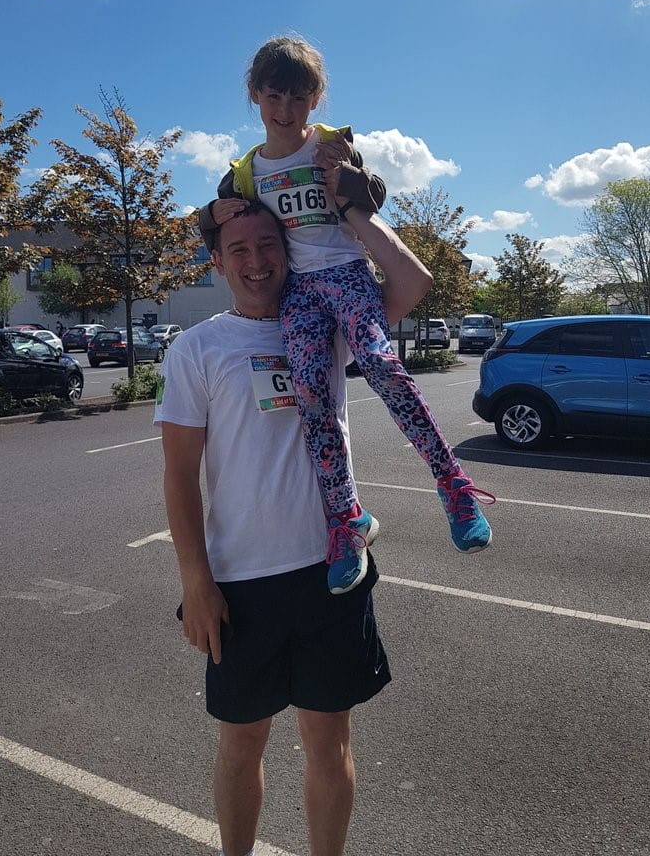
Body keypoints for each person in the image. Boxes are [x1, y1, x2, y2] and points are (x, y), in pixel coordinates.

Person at [158, 201, 428, 856]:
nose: (256, 261)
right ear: (216, 262)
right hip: (241, 586)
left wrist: (354, 210)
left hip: (330, 573)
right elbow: (178, 475)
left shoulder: (328, 323)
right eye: (238, 249)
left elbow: (412, 283)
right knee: (241, 742)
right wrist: (196, 582)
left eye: (267, 244)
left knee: (327, 742)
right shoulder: (198, 348)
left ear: (288, 249)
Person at [199, 35, 494, 596]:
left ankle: (453, 484)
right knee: (313, 400)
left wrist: (352, 179)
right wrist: (211, 213)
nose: (285, 111)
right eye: (274, 97)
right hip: (298, 294)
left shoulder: (331, 145)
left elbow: (375, 194)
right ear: (255, 96)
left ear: (316, 99)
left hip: (348, 275)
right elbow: (215, 223)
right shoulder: (245, 172)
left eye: (299, 98)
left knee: (383, 365)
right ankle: (347, 520)